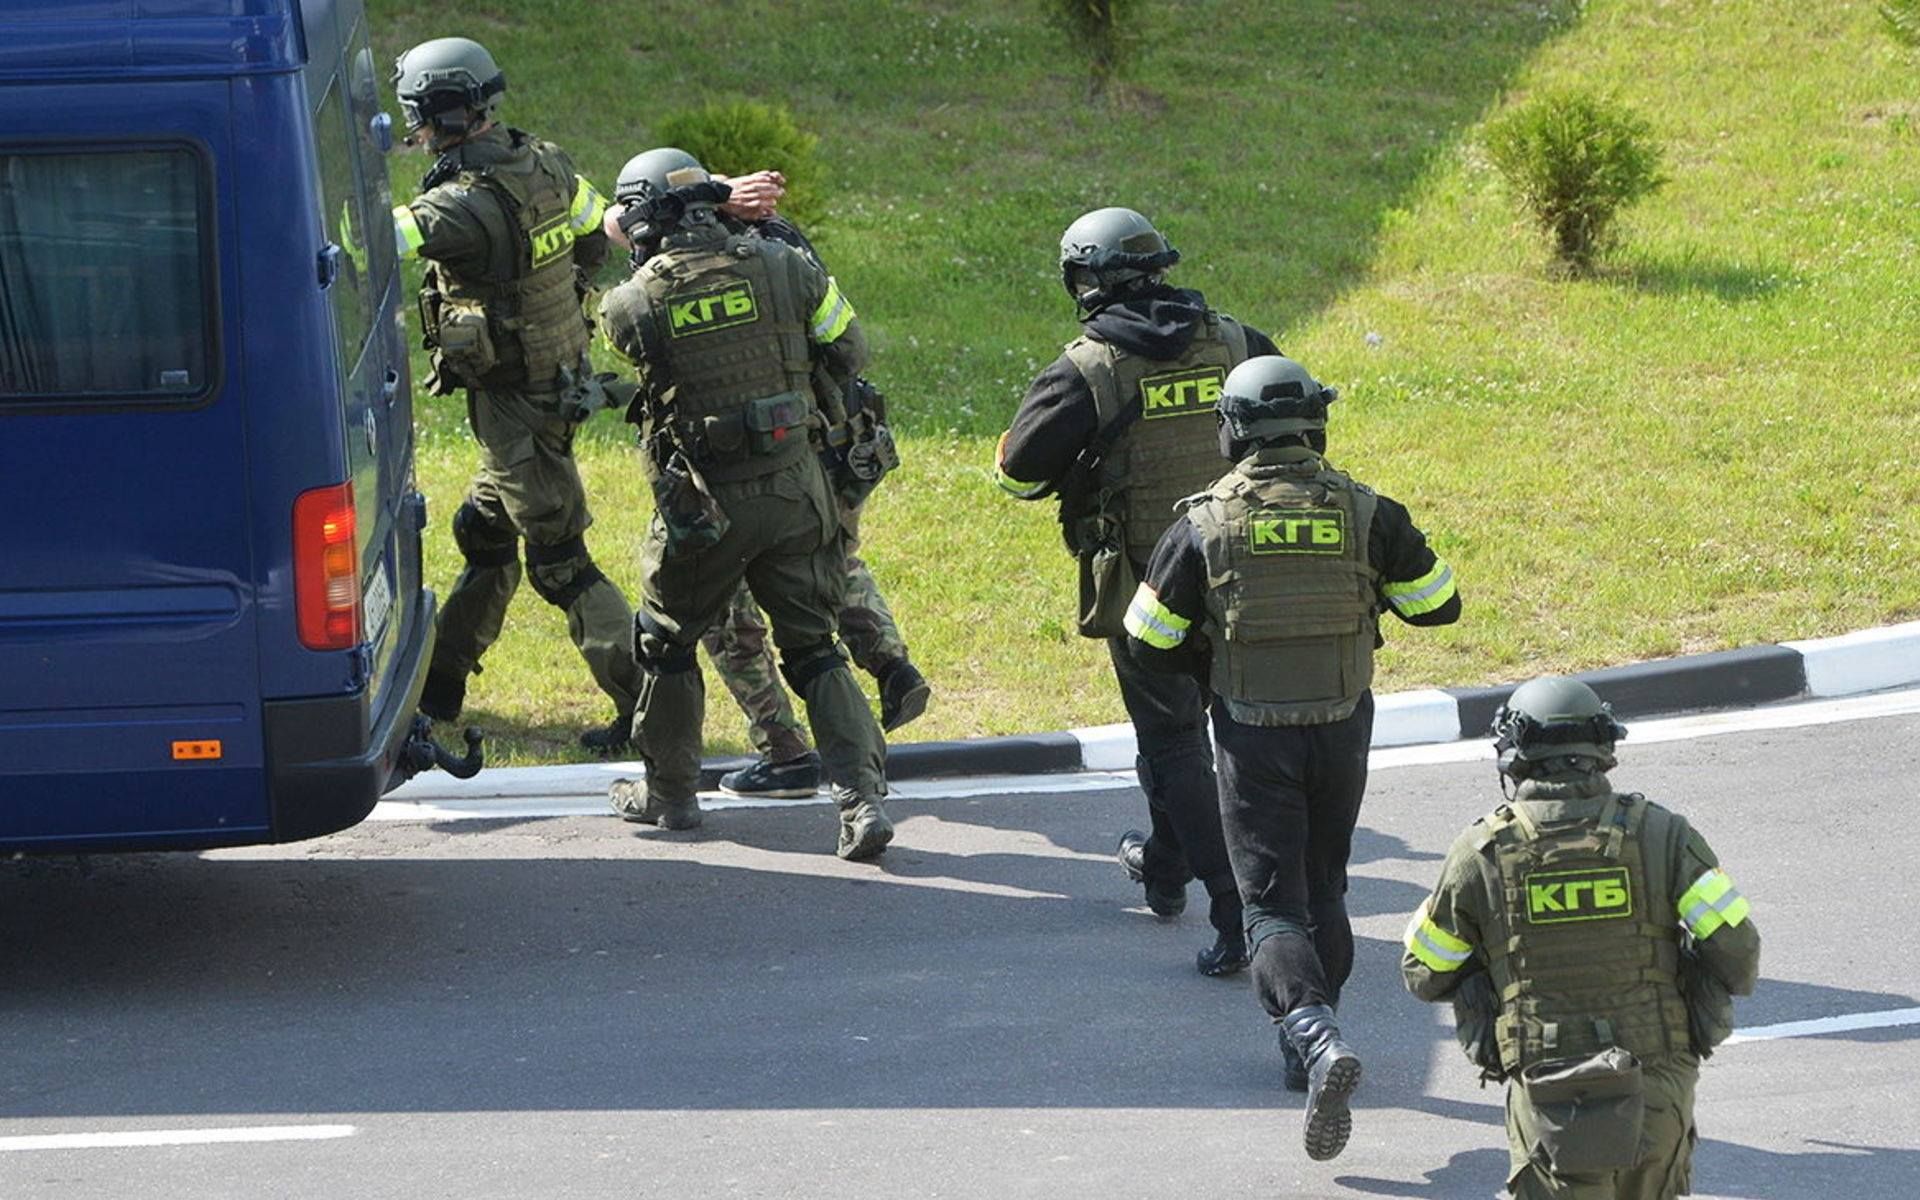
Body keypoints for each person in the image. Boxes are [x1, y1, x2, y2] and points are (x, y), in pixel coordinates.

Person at [1124, 354, 1461, 1160]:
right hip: (1343, 728)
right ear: (1316, 422)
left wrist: (1211, 661)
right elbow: (1438, 605)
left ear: (1230, 432)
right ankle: (1313, 1036)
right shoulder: (1370, 511)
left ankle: (1311, 1034)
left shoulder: (1202, 524)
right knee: (1327, 885)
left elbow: (1145, 641)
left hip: (1250, 732)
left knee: (1271, 905)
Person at [995, 207, 1281, 977]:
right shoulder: (1238, 341)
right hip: (1250, 571)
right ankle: (1164, 864)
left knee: (1174, 741)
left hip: (1148, 583)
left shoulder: (1084, 369)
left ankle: (1231, 910)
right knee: (1236, 732)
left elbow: (1018, 471)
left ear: (1082, 281)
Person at [596, 148, 892, 859]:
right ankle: (859, 803)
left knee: (667, 642)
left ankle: (670, 796)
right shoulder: (787, 267)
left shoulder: (633, 304)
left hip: (706, 512)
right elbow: (848, 350)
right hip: (797, 492)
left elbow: (621, 251)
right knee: (815, 648)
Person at [1402, 676, 1761, 1199]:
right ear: (1602, 748)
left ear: (1515, 757)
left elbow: (1422, 972)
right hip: (1656, 1086)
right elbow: (1738, 956)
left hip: (1550, 1100)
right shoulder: (1663, 834)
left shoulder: (1480, 853)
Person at [390, 36, 642, 745]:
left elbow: (365, 243)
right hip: (549, 384)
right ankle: (439, 688)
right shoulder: (548, 162)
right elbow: (597, 233)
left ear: (429, 113)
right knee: (485, 532)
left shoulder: (456, 210)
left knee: (561, 564)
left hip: (516, 403)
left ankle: (650, 711)